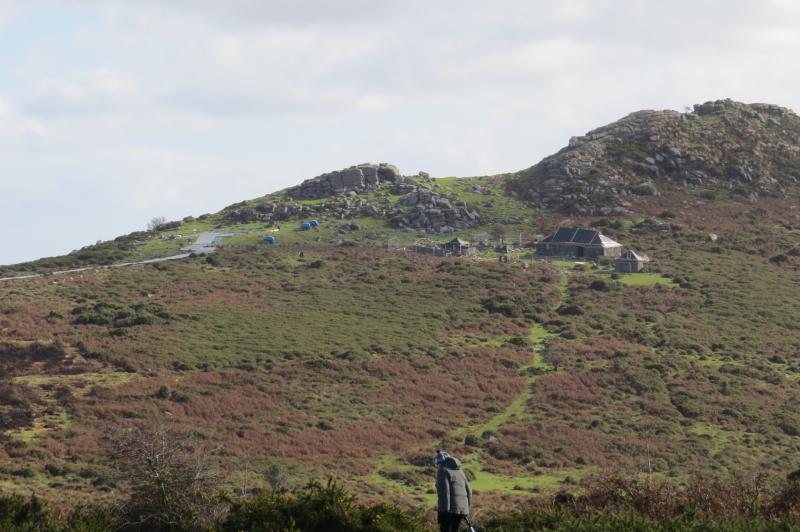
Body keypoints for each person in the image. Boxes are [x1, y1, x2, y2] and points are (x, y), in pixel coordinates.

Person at [434, 450, 471, 532]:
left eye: (437, 464)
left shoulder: (442, 471)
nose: (437, 466)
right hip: (463, 509)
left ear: (440, 463)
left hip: (449, 509)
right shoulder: (460, 471)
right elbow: (469, 491)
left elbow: (444, 492)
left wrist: (444, 511)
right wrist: (466, 508)